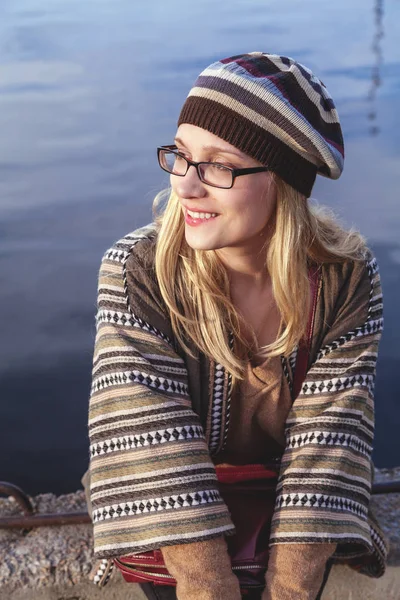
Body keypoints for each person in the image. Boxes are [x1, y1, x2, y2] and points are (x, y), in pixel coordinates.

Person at [87, 52, 388, 600]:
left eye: (218, 166)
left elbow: (330, 441)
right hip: (162, 501)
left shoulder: (345, 277)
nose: (186, 187)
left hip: (287, 494)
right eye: (180, 157)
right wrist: (208, 588)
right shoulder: (139, 270)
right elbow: (149, 439)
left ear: (284, 181)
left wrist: (291, 590)